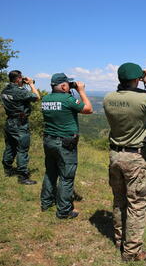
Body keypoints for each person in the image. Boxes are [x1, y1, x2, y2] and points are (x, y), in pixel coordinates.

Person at [103, 62, 146, 261]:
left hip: (115, 155)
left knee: (119, 199)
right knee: (137, 204)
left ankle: (119, 240)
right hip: (136, 158)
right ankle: (132, 252)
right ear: (137, 79)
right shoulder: (143, 99)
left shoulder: (108, 99)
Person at [40, 73, 93, 219]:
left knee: (50, 173)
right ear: (63, 86)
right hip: (65, 143)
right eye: (68, 84)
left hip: (48, 140)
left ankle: (46, 202)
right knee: (66, 177)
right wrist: (81, 90)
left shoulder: (45, 99)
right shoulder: (67, 99)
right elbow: (88, 109)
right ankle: (64, 211)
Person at [1, 70, 40, 185]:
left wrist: (22, 85)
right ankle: (22, 176)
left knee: (10, 146)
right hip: (20, 123)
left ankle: (7, 170)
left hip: (9, 122)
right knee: (22, 149)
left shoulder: (5, 90)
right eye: (21, 78)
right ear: (18, 79)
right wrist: (31, 84)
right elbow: (37, 97)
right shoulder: (20, 91)